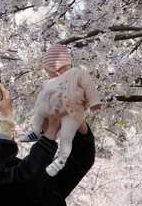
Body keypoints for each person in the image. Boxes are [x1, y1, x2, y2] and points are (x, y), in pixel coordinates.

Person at [17, 44, 101, 176]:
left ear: (53, 67)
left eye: (47, 70)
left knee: (65, 136)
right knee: (39, 111)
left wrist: (94, 102)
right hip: (53, 108)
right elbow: (44, 95)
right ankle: (36, 129)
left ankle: (61, 159)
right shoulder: (53, 81)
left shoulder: (78, 74)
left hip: (73, 113)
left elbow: (89, 87)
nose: (47, 74)